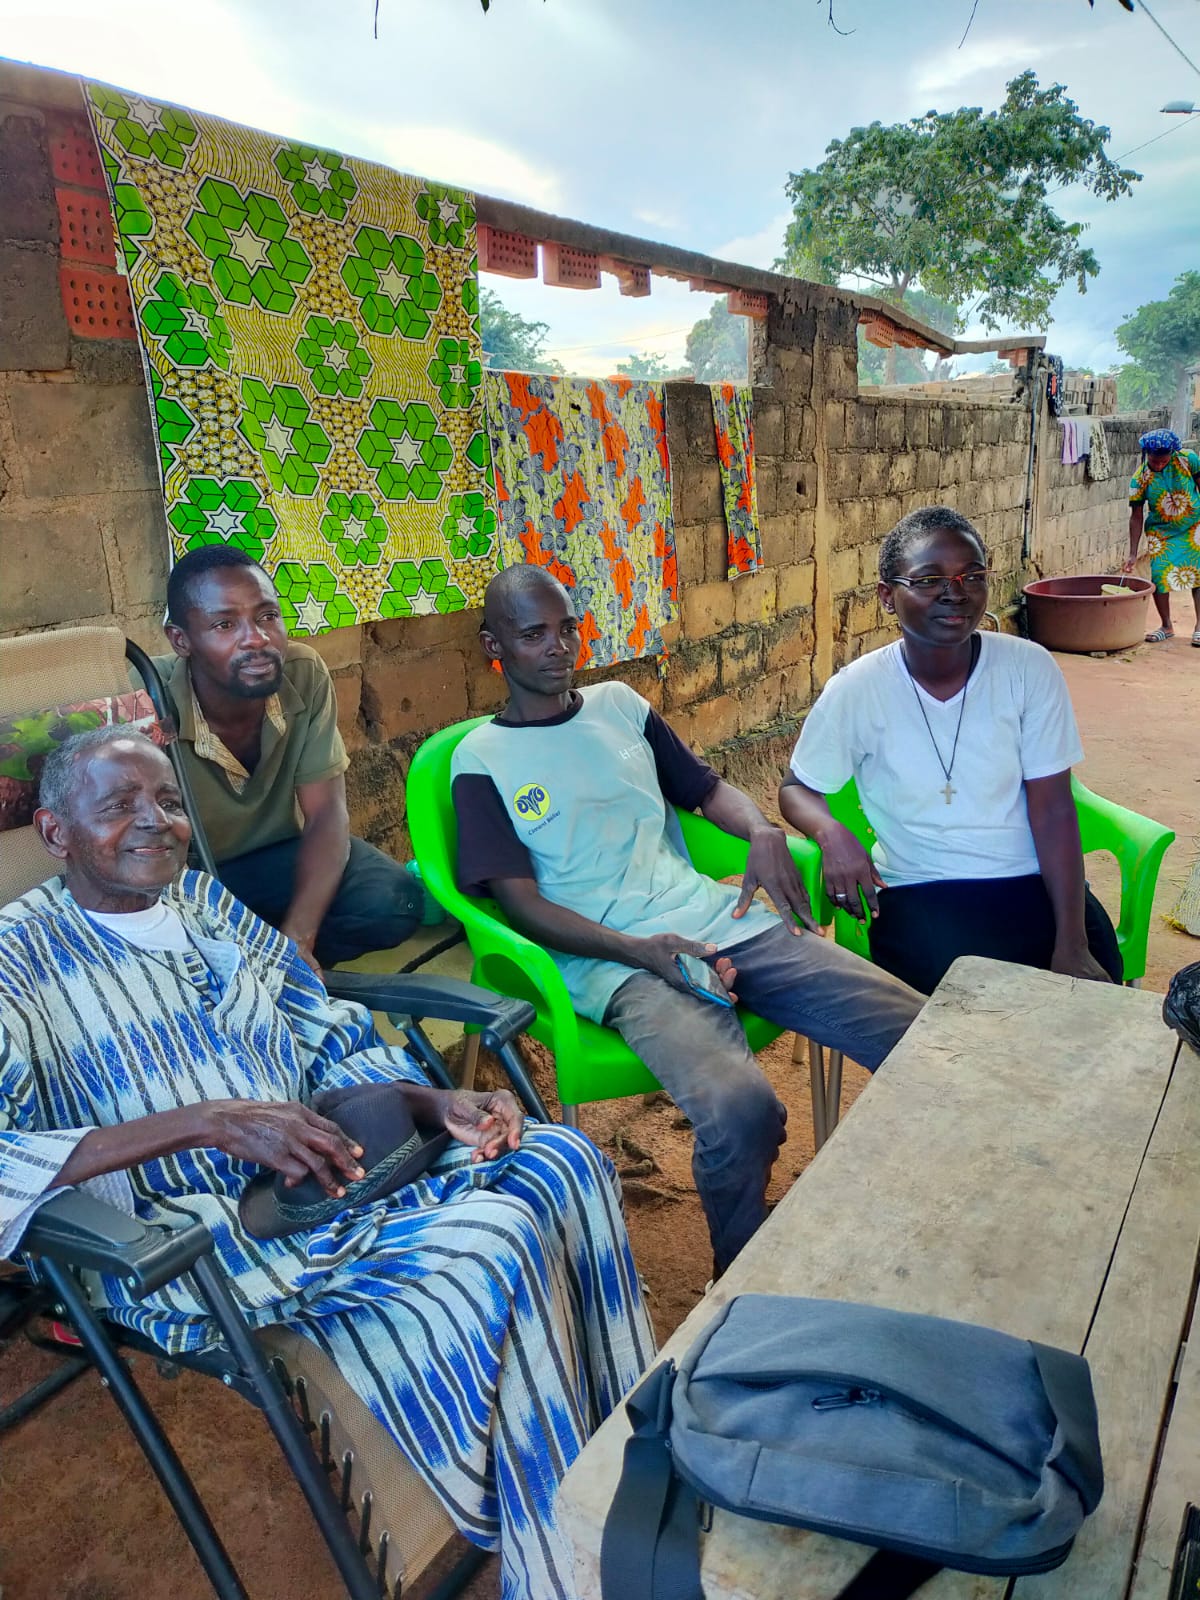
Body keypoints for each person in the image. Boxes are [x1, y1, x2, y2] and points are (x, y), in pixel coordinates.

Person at [0, 727, 654, 1600]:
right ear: (55, 833)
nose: (154, 821)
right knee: (494, 1241)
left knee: (564, 1160)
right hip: (196, 1236)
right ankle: (563, 1562)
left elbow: (322, 1029)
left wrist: (429, 1103)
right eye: (119, 806)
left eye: (167, 801)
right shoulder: (15, 959)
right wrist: (203, 1124)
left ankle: (626, 1454)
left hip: (329, 1166)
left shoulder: (204, 901)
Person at [451, 566, 924, 1278]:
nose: (558, 647)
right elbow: (520, 905)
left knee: (915, 1029)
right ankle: (739, 1280)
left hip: (716, 919)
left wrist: (761, 830)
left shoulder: (620, 706)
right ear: (495, 645)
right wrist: (643, 952)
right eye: (533, 634)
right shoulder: (482, 760)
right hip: (617, 963)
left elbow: (705, 791)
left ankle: (919, 1210)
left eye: (568, 628)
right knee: (740, 1111)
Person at [779, 505, 1123, 998]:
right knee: (973, 1012)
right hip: (921, 889)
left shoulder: (1028, 669)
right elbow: (797, 788)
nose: (955, 592)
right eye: (929, 580)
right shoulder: (857, 690)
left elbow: (1053, 808)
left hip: (1033, 883)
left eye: (972, 576)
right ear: (887, 597)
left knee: (1095, 996)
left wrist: (1071, 939)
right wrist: (830, 832)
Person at [154, 546, 423, 971]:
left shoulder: (302, 672)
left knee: (394, 901)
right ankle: (245, 965)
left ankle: (282, 966)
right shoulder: (147, 696)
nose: (257, 639)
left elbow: (326, 813)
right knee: (171, 950)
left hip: (276, 858)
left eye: (267, 616)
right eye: (225, 624)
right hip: (192, 875)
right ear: (181, 640)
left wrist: (299, 938)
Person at [1123, 428, 1200, 646]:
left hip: (1194, 527)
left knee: (1198, 575)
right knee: (1159, 576)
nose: (1158, 465)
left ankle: (1199, 627)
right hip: (1161, 532)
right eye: (1154, 461)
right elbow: (1136, 516)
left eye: (1163, 461)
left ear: (1172, 454)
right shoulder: (1139, 479)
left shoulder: (1188, 459)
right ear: (1146, 455)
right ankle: (1166, 626)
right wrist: (1132, 553)